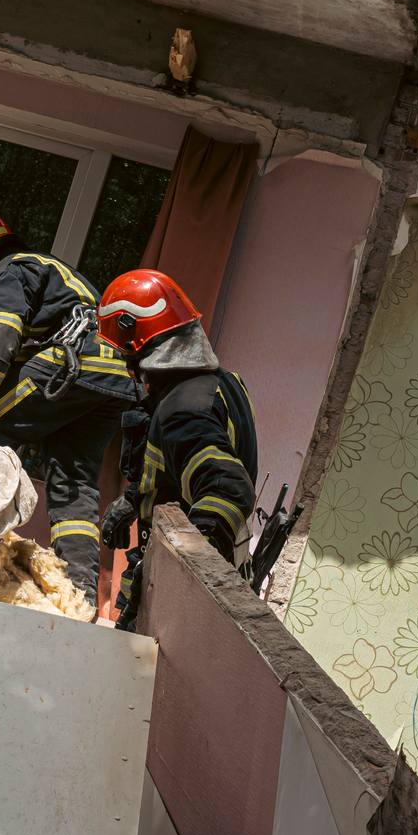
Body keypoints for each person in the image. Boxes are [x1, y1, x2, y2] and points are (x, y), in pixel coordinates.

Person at [0, 210, 139, 604]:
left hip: (72, 366)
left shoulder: (9, 270)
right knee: (74, 483)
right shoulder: (50, 268)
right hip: (113, 380)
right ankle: (81, 593)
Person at [95, 268, 258, 628]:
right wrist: (133, 500)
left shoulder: (182, 409)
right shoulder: (221, 384)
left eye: (124, 353)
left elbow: (225, 489)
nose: (127, 368)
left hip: (173, 603)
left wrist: (177, 577)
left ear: (138, 344)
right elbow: (178, 463)